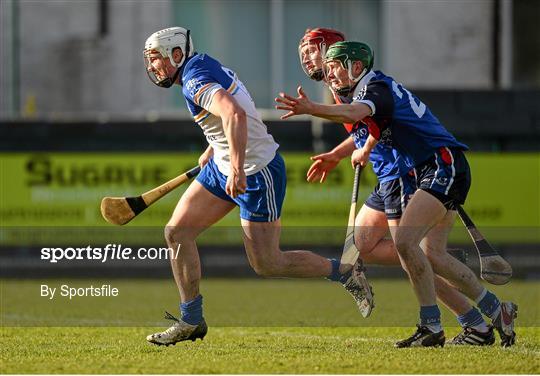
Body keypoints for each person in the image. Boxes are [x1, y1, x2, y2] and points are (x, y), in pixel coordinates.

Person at [276, 40, 518, 348]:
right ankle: (497, 310)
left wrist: (312, 109)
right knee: (430, 254)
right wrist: (356, 149)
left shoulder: (375, 88)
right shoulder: (368, 89)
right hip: (429, 169)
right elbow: (373, 126)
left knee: (406, 242)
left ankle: (431, 325)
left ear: (357, 67)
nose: (330, 73)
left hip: (441, 165)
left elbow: (356, 112)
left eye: (335, 67)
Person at [142, 27, 373, 346]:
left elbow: (234, 113)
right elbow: (235, 108)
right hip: (224, 163)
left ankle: (344, 270)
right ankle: (191, 320)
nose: (152, 67)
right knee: (177, 233)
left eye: (156, 59)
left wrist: (236, 167)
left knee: (267, 263)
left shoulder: (195, 79)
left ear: (177, 55)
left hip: (255, 170)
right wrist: (215, 146)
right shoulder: (201, 67)